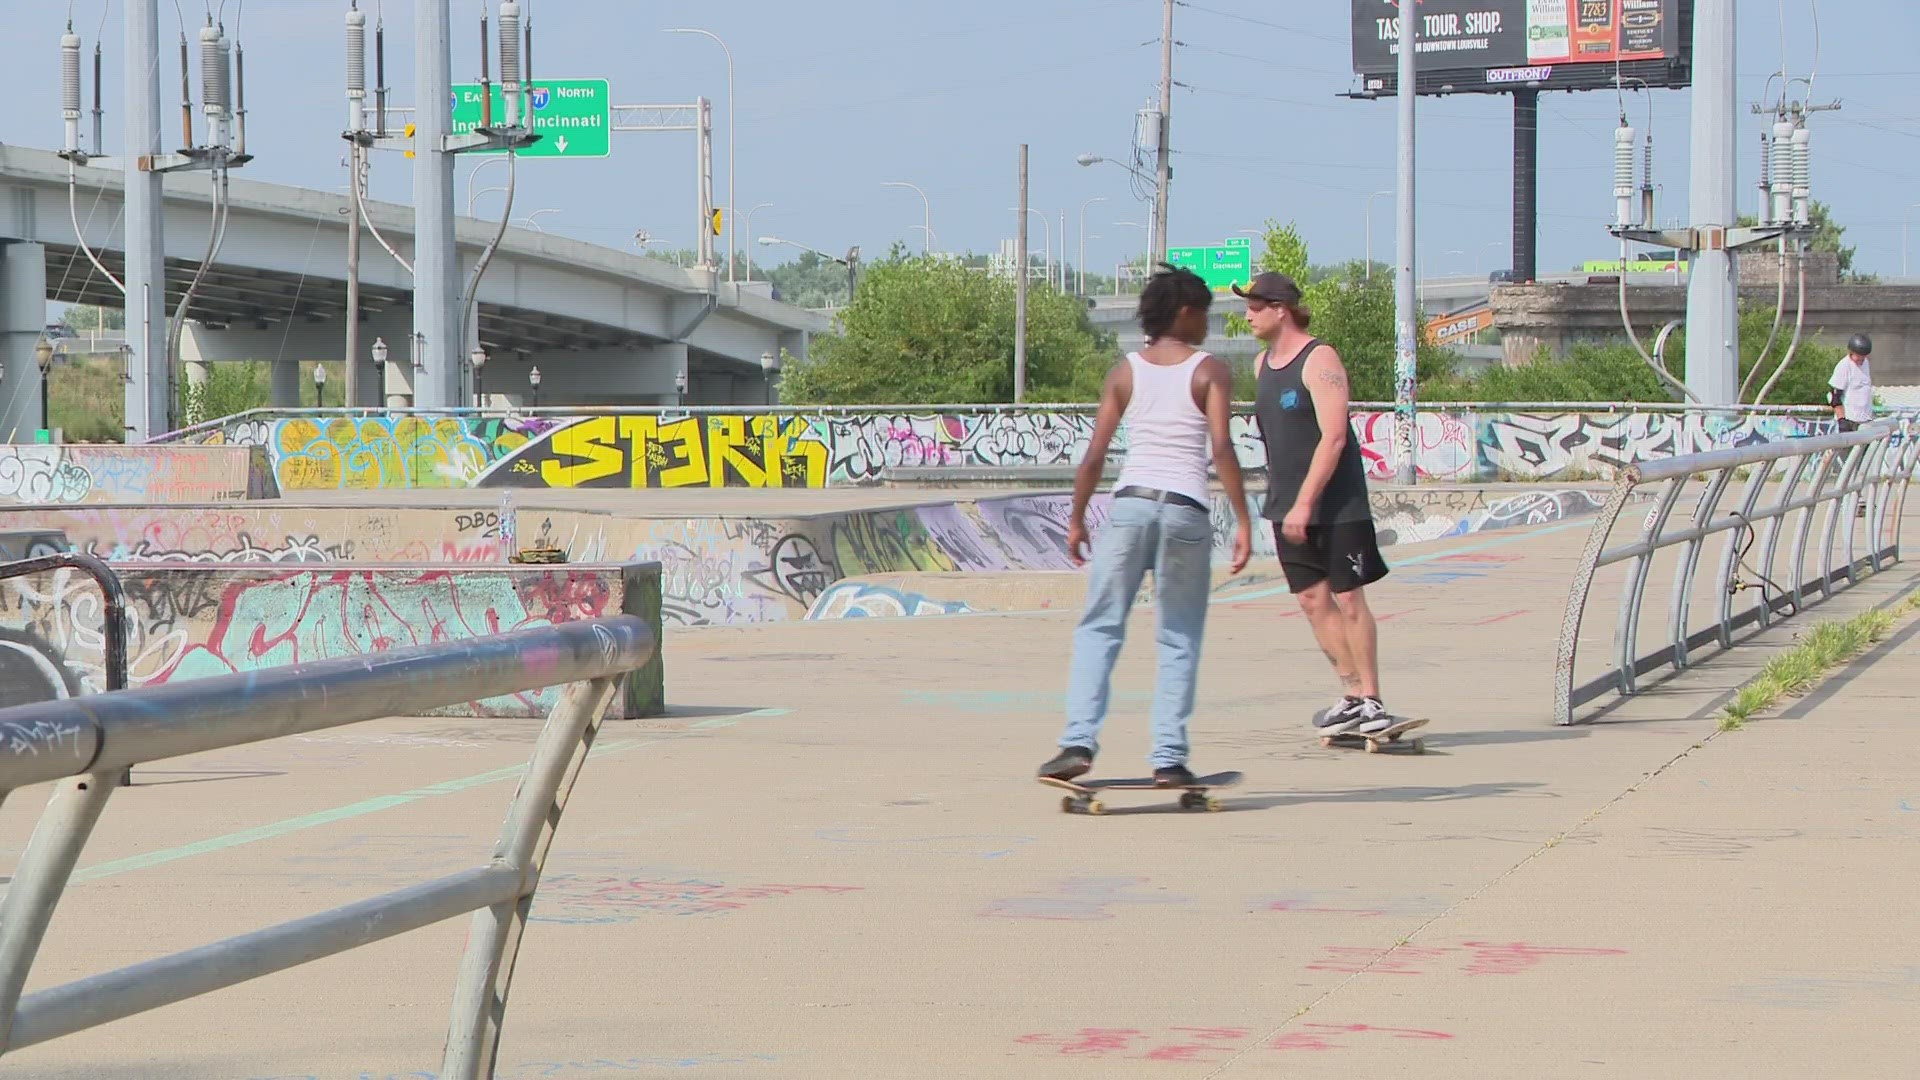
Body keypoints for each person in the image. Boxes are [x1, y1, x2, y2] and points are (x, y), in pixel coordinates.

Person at [1038, 264, 1253, 786]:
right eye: (1204, 314)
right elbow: (1221, 448)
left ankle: (1078, 741)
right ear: (1184, 313)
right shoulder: (1210, 371)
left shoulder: (1125, 371)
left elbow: (1094, 454)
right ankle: (1168, 758)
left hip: (1131, 506)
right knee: (1178, 635)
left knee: (1101, 625)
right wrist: (1244, 520)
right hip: (1184, 510)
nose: (1208, 326)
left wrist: (1076, 517)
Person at [1234, 271, 1396, 736]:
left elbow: (1335, 436)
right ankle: (1349, 694)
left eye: (1255, 307)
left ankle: (1372, 699)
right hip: (1286, 501)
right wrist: (1287, 502)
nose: (1248, 315)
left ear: (1280, 309)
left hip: (1336, 504)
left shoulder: (1319, 358)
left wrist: (1307, 502)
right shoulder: (1262, 365)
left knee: (1348, 598)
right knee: (1311, 599)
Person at [1830, 333, 1874, 433]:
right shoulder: (1844, 366)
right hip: (1850, 421)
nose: (1861, 360)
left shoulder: (1865, 363)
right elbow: (1835, 397)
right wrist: (1842, 420)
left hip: (1865, 420)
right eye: (1858, 357)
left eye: (1863, 357)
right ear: (1851, 352)